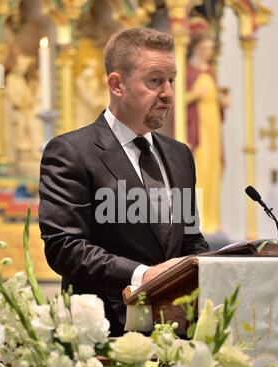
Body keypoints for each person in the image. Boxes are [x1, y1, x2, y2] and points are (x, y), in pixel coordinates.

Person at [39, 28, 209, 336]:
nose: (168, 93)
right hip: (104, 336)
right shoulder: (72, 152)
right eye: (155, 80)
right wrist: (144, 276)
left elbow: (190, 238)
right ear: (117, 84)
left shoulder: (179, 154)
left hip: (176, 332)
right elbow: (65, 247)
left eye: (172, 80)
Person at [186, 32, 231, 235]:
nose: (207, 53)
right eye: (204, 48)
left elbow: (214, 101)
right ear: (195, 49)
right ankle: (199, 218)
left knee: (213, 172)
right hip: (197, 131)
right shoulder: (187, 71)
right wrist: (194, 95)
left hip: (213, 131)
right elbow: (177, 103)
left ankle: (213, 219)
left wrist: (221, 104)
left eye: (210, 49)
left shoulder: (210, 72)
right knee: (199, 172)